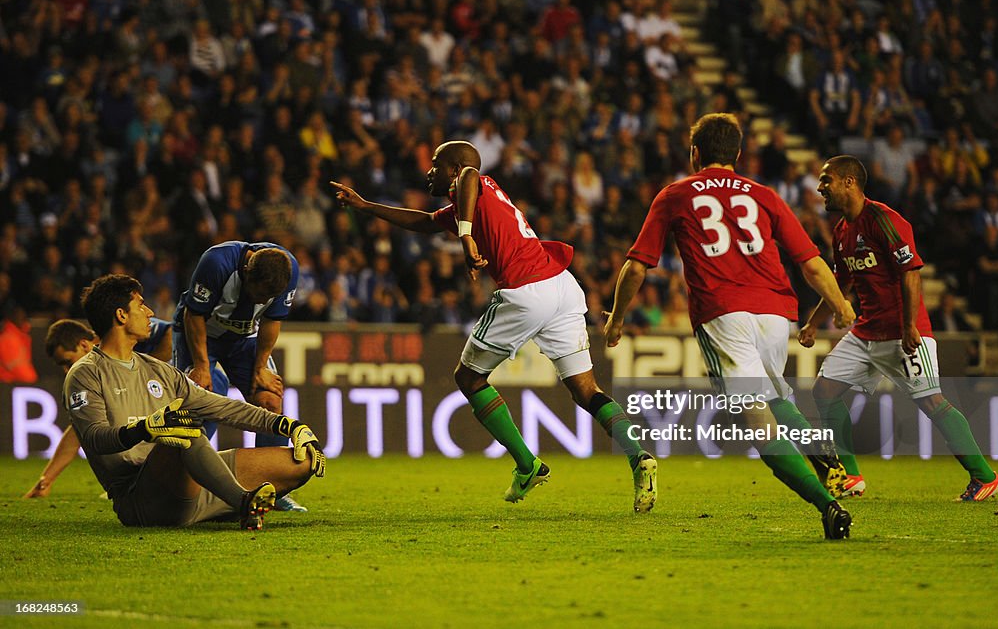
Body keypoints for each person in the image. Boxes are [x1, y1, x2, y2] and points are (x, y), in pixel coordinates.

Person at [332, 140, 659, 512]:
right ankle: (638, 457)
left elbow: (472, 173)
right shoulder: (469, 203)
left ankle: (527, 464)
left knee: (468, 379)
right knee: (587, 390)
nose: (429, 171)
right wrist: (365, 205)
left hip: (526, 290)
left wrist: (466, 236)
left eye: (436, 164)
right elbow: (424, 223)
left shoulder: (475, 182)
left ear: (453, 170)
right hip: (562, 285)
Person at [604, 113, 857, 539]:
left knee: (758, 425)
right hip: (777, 314)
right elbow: (811, 263)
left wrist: (616, 318)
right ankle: (821, 450)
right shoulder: (764, 195)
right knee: (777, 397)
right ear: (738, 155)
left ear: (695, 153)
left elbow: (636, 267)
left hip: (724, 313)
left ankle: (827, 505)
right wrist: (840, 305)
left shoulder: (676, 194)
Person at [798, 155, 998, 502]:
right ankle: (849, 476)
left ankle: (985, 477)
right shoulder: (842, 231)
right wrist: (812, 324)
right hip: (866, 332)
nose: (820, 188)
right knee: (824, 392)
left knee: (932, 403)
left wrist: (909, 325)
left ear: (849, 182)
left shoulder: (884, 220)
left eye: (826, 180)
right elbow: (841, 282)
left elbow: (911, 272)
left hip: (904, 331)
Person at [64, 274, 325, 529]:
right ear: (121, 315)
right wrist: (143, 429)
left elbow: (223, 407)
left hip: (190, 487)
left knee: (301, 462)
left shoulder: (159, 370)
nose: (150, 312)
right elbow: (95, 437)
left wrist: (290, 426)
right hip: (141, 497)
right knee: (182, 428)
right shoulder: (86, 373)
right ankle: (242, 502)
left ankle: (221, 503)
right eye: (141, 304)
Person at [171, 241, 309, 512]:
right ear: (247, 271)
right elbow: (194, 314)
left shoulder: (288, 269)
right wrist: (200, 364)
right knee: (193, 403)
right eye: (258, 293)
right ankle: (175, 481)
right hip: (199, 336)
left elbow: (271, 321)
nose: (260, 301)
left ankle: (272, 489)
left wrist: (260, 368)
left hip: (244, 339)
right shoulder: (216, 262)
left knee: (271, 401)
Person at [24, 318, 228, 499]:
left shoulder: (121, 333)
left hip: (201, 379)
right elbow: (79, 432)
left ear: (84, 344)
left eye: (68, 362)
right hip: (175, 392)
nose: (67, 371)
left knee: (185, 453)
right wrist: (47, 479)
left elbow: (169, 332)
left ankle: (213, 494)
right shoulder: (98, 373)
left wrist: (145, 373)